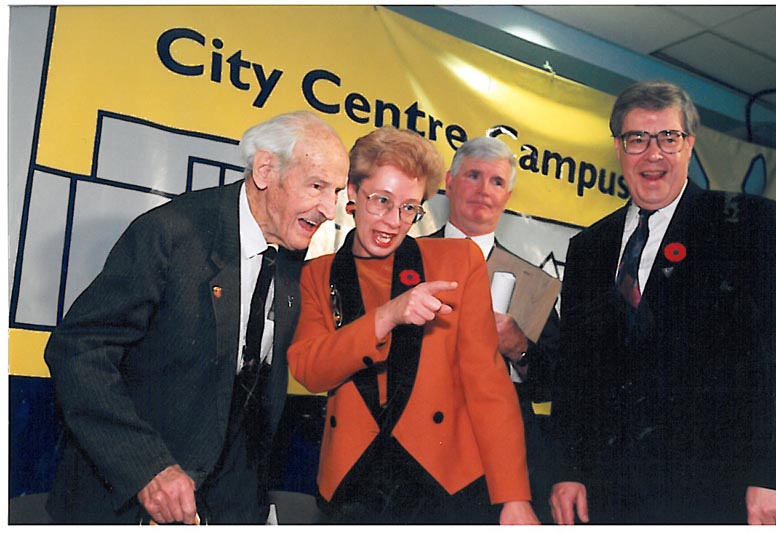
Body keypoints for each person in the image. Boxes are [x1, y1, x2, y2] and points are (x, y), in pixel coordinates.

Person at [43, 111, 349, 524]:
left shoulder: (292, 252)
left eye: (336, 192)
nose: (329, 210)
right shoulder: (171, 234)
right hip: (131, 496)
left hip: (228, 500)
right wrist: (147, 468)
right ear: (264, 170)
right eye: (317, 186)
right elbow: (77, 350)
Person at [549, 79, 776, 525]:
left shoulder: (748, 224)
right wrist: (567, 471)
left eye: (668, 137)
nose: (653, 153)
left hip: (717, 489)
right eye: (637, 138)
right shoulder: (588, 248)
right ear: (619, 147)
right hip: (608, 492)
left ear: (689, 144)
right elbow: (576, 371)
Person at [287, 126, 539, 525]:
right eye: (382, 201)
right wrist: (388, 316)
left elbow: (488, 385)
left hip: (440, 480)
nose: (393, 221)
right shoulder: (319, 274)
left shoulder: (458, 261)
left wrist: (513, 496)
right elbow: (309, 370)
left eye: (409, 208)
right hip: (352, 480)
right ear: (351, 192)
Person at [427, 136, 560, 520]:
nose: (484, 190)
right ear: (449, 182)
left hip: (496, 473)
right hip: (416, 461)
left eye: (497, 181)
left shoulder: (534, 285)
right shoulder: (408, 259)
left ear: (508, 195)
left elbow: (552, 382)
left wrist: (519, 347)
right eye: (473, 175)